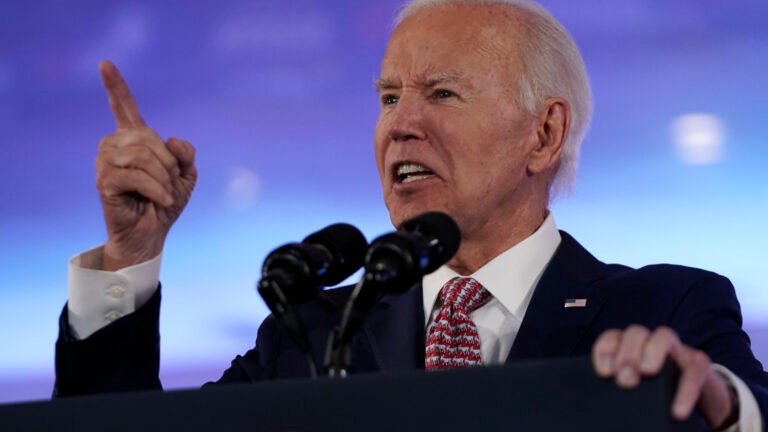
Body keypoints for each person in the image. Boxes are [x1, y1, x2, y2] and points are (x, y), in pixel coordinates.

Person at [55, 0, 767, 430]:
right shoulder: (310, 338)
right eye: (389, 97)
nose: (400, 125)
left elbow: (746, 407)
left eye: (443, 94)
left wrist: (710, 400)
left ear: (545, 134)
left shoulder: (661, 309)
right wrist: (130, 255)